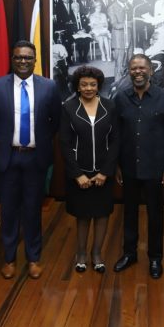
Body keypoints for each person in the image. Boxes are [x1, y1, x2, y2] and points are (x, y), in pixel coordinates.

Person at [0, 40, 61, 280]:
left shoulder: (49, 87)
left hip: (35, 159)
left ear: (35, 60)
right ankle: (9, 259)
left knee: (33, 210)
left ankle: (34, 258)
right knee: (10, 211)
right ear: (12, 60)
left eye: (28, 57)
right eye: (18, 57)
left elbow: (55, 121)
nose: (23, 61)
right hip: (7, 158)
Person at [113, 54, 164, 279]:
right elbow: (116, 135)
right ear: (129, 71)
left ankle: (155, 258)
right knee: (129, 213)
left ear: (151, 71)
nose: (138, 72)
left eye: (142, 68)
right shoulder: (121, 98)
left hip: (155, 168)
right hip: (129, 167)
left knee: (155, 215)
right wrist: (117, 165)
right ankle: (129, 253)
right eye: (134, 68)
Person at [59, 66, 119, 273]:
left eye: (93, 84)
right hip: (80, 174)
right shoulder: (68, 107)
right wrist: (78, 174)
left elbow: (115, 142)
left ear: (99, 86)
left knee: (102, 215)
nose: (88, 88)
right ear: (77, 86)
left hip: (103, 173)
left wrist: (105, 172)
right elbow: (65, 144)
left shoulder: (110, 106)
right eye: (84, 84)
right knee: (83, 215)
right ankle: (82, 254)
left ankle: (97, 254)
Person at [108, 0, 132, 85]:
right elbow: (115, 25)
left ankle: (128, 85)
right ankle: (117, 88)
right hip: (118, 41)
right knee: (119, 65)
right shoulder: (112, 8)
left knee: (130, 64)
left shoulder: (129, 6)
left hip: (129, 39)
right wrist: (128, 24)